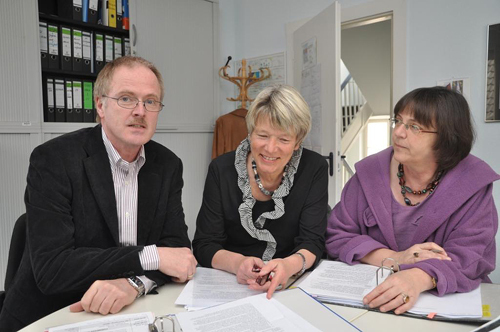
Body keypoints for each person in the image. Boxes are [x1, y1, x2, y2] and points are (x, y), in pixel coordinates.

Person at [0, 56, 197, 330]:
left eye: (150, 101)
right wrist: (152, 257)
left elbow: (177, 252)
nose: (140, 111)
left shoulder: (167, 165)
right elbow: (53, 269)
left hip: (127, 311)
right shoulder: (54, 159)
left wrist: (134, 283)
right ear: (101, 106)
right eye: (126, 99)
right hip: (53, 313)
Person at [326, 86, 499, 314]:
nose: (398, 132)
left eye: (414, 127)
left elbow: (471, 256)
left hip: (446, 305)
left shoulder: (472, 182)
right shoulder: (369, 172)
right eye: (398, 121)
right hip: (370, 300)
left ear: (447, 138)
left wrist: (419, 277)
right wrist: (396, 258)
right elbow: (337, 235)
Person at [193, 84, 328, 298]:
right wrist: (238, 263)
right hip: (231, 285)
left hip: (291, 285)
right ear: (250, 133)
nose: (270, 148)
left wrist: (289, 265)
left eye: (283, 139)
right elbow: (204, 244)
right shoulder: (221, 170)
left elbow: (313, 241)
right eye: (262, 135)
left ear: (297, 142)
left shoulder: (314, 168)